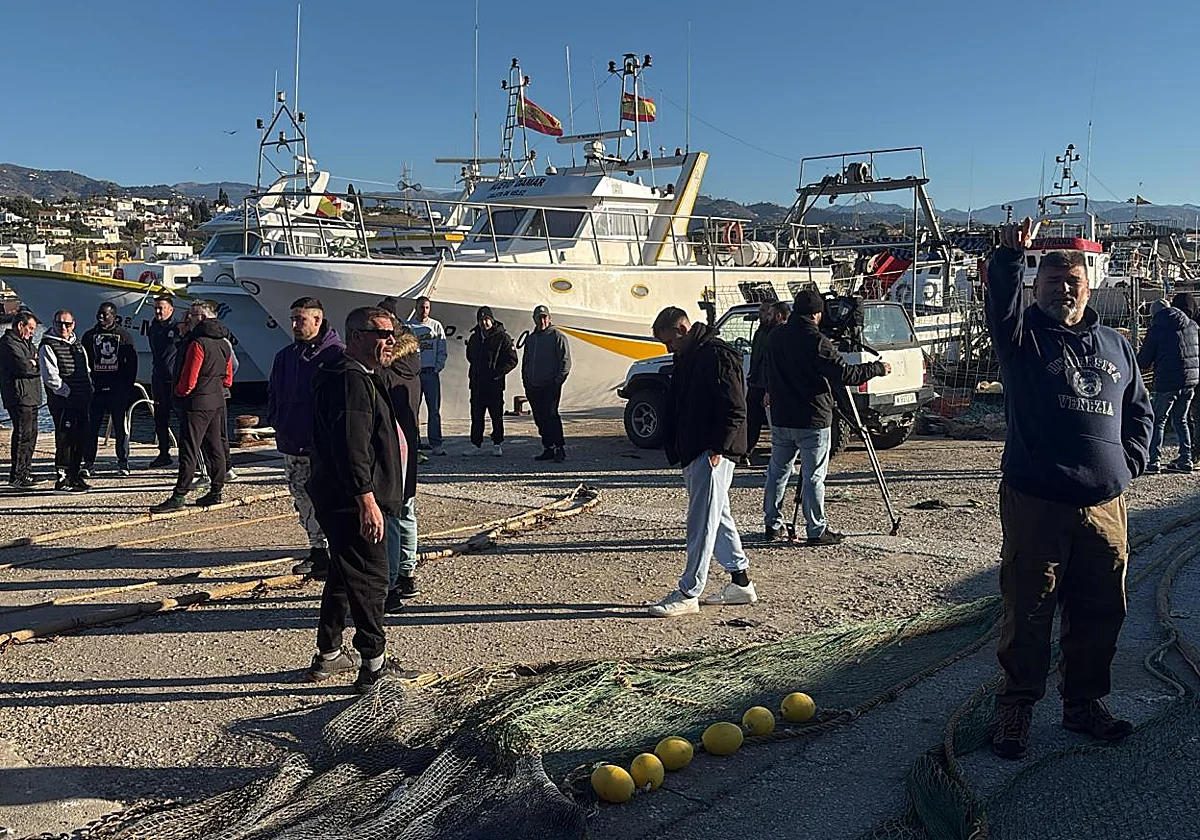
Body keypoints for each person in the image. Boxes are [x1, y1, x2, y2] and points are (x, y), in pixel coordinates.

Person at [986, 218, 1153, 760]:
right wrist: (1011, 258)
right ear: (1037, 287)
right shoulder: (1020, 337)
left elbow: (1140, 413)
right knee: (1029, 609)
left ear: (1089, 286)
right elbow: (1001, 307)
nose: (1064, 285)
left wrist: (1128, 465)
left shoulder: (1117, 345)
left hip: (1107, 505)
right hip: (1038, 501)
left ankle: (1083, 704)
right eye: (1052, 277)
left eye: (1073, 278)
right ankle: (1017, 706)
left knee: (1101, 607)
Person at [303, 306, 414, 691]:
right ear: (356, 336)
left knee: (342, 572)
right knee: (371, 578)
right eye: (381, 333)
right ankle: (373, 665)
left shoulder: (361, 375)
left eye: (392, 333)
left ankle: (328, 654)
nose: (389, 340)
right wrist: (366, 499)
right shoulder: (350, 379)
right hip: (352, 499)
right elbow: (353, 446)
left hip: (346, 494)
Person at [647, 306, 756, 617]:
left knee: (701, 522)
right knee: (717, 516)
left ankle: (689, 591)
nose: (667, 348)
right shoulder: (688, 355)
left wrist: (718, 447)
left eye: (668, 341)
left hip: (712, 452)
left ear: (682, 329)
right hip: (696, 449)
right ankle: (741, 581)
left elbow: (736, 405)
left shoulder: (717, 355)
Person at [762, 290, 890, 545]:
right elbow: (845, 375)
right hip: (812, 419)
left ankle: (772, 524)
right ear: (818, 314)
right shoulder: (817, 341)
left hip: (781, 416)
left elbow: (768, 371)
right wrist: (877, 368)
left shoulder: (775, 336)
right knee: (813, 475)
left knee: (777, 472)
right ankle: (816, 529)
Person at [267, 296, 344, 579]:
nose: (295, 324)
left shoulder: (336, 355)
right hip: (292, 442)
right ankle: (317, 551)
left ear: (317, 320)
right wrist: (277, 420)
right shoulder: (285, 356)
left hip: (323, 447)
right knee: (302, 499)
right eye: (293, 319)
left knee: (331, 500)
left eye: (300, 319)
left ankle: (340, 553)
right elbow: (274, 392)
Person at [150, 302, 233, 512]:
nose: (189, 319)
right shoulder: (224, 343)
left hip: (196, 403)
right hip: (216, 400)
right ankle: (216, 490)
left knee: (189, 448)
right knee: (216, 446)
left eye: (193, 315)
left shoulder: (198, 343)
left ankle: (179, 494)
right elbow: (228, 378)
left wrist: (179, 393)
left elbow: (189, 379)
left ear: (203, 318)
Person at [376, 316, 422, 611]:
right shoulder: (413, 370)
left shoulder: (386, 373)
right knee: (407, 511)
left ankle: (391, 584)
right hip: (411, 443)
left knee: (391, 516)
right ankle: (407, 573)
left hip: (393, 447)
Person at [1138, 297, 1198, 473]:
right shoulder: (1192, 325)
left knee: (1158, 420)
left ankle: (1153, 461)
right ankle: (1186, 460)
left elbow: (1143, 361)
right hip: (1191, 380)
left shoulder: (1157, 330)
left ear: (1155, 314)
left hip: (1167, 382)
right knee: (1181, 420)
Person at [39, 309, 93, 492]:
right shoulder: (48, 345)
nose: (64, 327)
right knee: (65, 439)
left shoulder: (78, 344)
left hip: (82, 397)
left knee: (81, 437)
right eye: (60, 323)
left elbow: (85, 369)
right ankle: (62, 478)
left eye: (67, 324)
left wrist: (89, 387)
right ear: (53, 324)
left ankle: (75, 475)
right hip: (63, 400)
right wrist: (67, 392)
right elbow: (51, 377)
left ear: (73, 325)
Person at [81, 302, 138, 476]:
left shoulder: (125, 337)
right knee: (92, 428)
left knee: (121, 428)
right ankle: (88, 463)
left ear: (113, 315)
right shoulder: (89, 337)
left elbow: (132, 364)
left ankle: (123, 462)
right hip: (96, 390)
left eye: (105, 314)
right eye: (99, 314)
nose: (101, 317)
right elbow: (84, 362)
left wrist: (126, 388)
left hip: (117, 390)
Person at [465, 306, 518, 456]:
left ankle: (497, 443)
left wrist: (498, 373)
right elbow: (470, 356)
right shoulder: (475, 337)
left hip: (494, 384)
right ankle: (476, 444)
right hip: (477, 384)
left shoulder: (502, 337)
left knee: (496, 415)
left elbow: (512, 359)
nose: (484, 323)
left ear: (492, 320)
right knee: (476, 415)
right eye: (481, 320)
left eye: (486, 319)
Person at [521, 304, 572, 462]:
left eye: (544, 317)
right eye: (538, 317)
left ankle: (559, 448)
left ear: (549, 318)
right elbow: (526, 361)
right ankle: (548, 447)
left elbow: (565, 361)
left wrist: (557, 381)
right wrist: (526, 381)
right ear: (534, 319)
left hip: (550, 385)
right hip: (533, 385)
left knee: (551, 416)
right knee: (539, 417)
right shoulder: (531, 339)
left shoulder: (557, 336)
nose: (541, 320)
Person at [0, 311, 44, 488]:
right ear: (20, 326)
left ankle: (26, 471)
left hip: (31, 395)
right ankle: (17, 474)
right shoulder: (8, 344)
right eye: (31, 328)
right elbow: (23, 367)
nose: (33, 332)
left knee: (32, 434)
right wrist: (33, 364)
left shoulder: (27, 343)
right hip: (19, 395)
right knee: (22, 434)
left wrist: (35, 363)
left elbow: (38, 361)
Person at [744, 300, 788, 464]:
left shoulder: (778, 333)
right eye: (762, 311)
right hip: (757, 382)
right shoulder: (760, 331)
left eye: (765, 311)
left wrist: (770, 387)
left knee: (776, 425)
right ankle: (746, 452)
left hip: (770, 385)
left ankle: (780, 459)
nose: (761, 315)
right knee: (751, 420)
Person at [407, 296, 448, 456]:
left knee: (434, 410)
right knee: (412, 409)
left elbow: (442, 348)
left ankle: (436, 443)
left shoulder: (436, 326)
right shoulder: (408, 326)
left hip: (431, 372)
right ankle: (413, 442)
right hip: (414, 374)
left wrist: (437, 367)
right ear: (416, 307)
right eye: (421, 307)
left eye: (426, 307)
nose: (424, 311)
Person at [146, 295, 181, 468]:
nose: (158, 312)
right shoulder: (153, 328)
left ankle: (189, 454)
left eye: (161, 308)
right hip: (158, 378)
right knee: (160, 418)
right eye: (156, 308)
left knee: (183, 418)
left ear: (171, 309)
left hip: (175, 379)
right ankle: (163, 452)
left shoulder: (178, 328)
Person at [1174, 291, 1200, 466]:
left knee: (1190, 416)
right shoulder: (1194, 325)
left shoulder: (1188, 326)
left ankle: (1193, 453)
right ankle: (1193, 453)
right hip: (1194, 375)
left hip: (1191, 377)